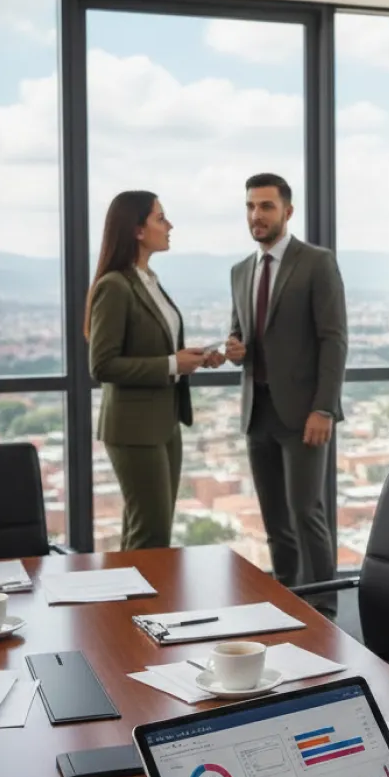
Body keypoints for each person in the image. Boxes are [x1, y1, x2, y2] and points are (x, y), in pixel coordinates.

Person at [225, 173, 347, 617]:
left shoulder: (316, 262)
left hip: (303, 414)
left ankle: (324, 609)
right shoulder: (241, 271)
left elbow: (334, 340)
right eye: (251, 207)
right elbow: (240, 335)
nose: (256, 215)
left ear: (287, 212)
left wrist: (324, 407)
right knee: (276, 520)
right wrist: (235, 347)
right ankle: (288, 602)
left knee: (306, 514)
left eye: (266, 206)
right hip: (256, 412)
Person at [87, 191, 215, 550]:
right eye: (161, 218)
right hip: (133, 427)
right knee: (151, 534)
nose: (169, 225)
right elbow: (102, 364)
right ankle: (141, 608)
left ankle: (131, 605)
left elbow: (156, 348)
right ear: (138, 230)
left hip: (164, 422)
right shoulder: (114, 286)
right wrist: (173, 363)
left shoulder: (148, 280)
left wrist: (194, 357)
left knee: (148, 530)